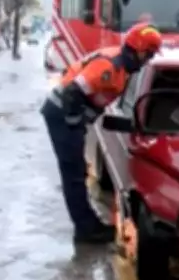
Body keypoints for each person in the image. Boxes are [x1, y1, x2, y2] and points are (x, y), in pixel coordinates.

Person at [41, 22, 163, 245]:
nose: (149, 60)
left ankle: (86, 225)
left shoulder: (122, 66)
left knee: (77, 173)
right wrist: (75, 126)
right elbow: (71, 94)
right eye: (149, 54)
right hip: (61, 115)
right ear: (138, 50)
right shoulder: (109, 67)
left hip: (67, 116)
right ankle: (86, 230)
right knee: (75, 175)